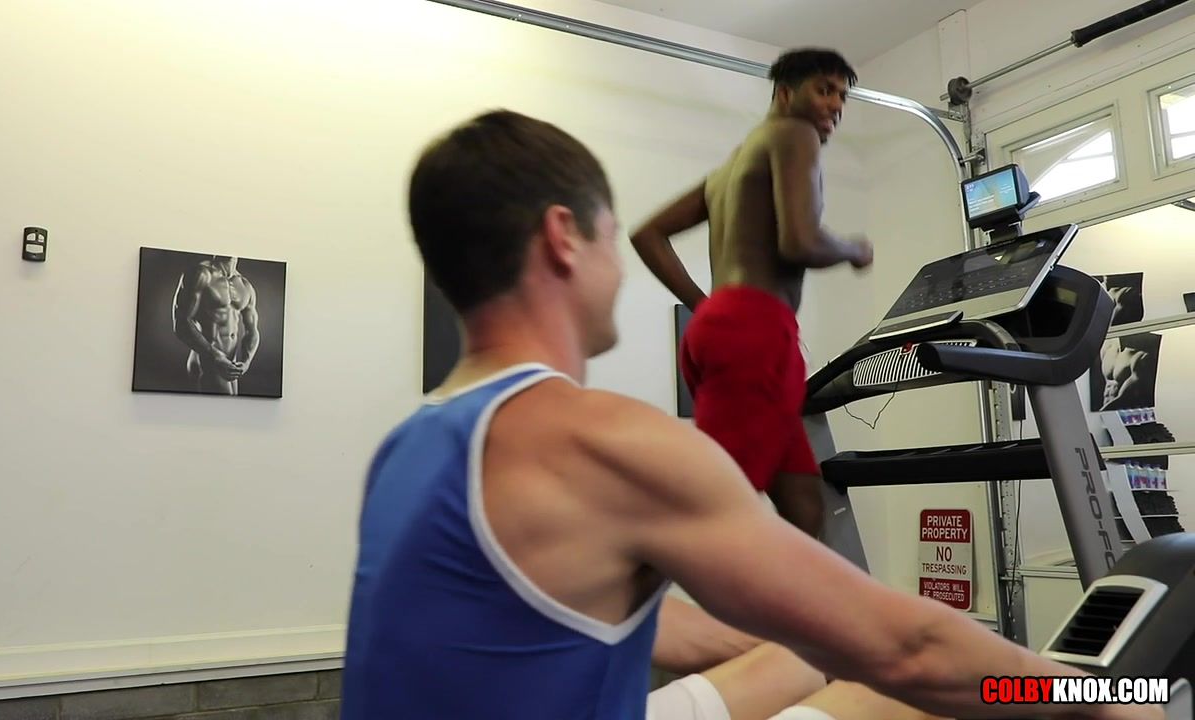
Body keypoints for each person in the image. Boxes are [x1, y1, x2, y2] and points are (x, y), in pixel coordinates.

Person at [340, 109, 1162, 720]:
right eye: (611, 240)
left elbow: (610, 618)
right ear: (563, 238)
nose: (620, 269)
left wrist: (819, 643)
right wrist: (1098, 697)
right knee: (903, 697)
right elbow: (911, 650)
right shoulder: (605, 442)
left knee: (818, 665)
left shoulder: (404, 447)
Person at [629, 48, 873, 537]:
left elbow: (647, 235)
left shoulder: (729, 169)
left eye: (842, 96)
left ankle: (798, 592)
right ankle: (624, 580)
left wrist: (706, 309)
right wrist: (854, 248)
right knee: (712, 510)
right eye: (824, 90)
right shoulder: (796, 134)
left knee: (804, 506)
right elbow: (799, 241)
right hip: (755, 330)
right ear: (785, 94)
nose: (835, 105)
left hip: (726, 326)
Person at [171, 255, 260, 395]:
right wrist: (215, 356)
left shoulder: (245, 285)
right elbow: (181, 323)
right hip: (207, 361)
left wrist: (246, 362)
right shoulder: (201, 274)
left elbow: (252, 331)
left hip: (230, 365)